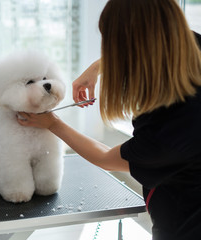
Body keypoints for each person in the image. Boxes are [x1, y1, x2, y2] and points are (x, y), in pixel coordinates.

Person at [17, 0, 201, 239]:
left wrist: (53, 123)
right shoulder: (191, 53)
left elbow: (106, 158)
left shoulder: (170, 129)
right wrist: (96, 67)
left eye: (111, 46)